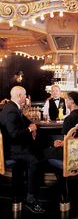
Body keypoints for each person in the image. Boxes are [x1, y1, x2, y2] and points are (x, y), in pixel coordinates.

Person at [0, 86, 45, 214]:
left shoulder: (13, 107)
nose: (26, 97)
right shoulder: (11, 110)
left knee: (37, 152)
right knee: (35, 160)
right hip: (11, 150)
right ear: (19, 96)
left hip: (15, 147)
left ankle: (24, 194)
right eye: (25, 95)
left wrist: (31, 126)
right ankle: (30, 200)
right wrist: (31, 130)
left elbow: (27, 122)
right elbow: (14, 135)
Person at [44, 91, 78, 159]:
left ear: (72, 101)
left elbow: (67, 142)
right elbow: (75, 138)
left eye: (67, 99)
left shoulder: (68, 119)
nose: (65, 102)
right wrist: (62, 142)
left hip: (68, 153)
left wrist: (60, 143)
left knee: (44, 152)